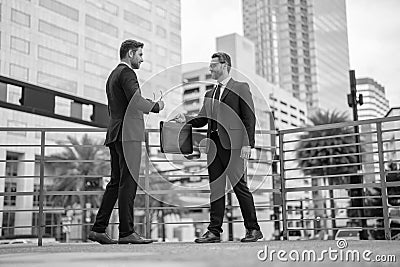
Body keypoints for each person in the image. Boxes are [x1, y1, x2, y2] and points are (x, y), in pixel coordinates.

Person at [173, 52, 263, 243]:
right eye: (210, 65)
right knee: (216, 190)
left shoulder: (241, 87)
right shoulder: (209, 93)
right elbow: (203, 119)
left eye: (213, 65)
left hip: (234, 147)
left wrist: (248, 144)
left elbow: (249, 117)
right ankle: (214, 231)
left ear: (224, 65)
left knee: (240, 187)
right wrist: (186, 119)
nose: (210, 68)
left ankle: (253, 229)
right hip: (214, 149)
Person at [88, 39, 164, 244]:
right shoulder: (128, 73)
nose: (142, 58)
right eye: (140, 54)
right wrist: (156, 106)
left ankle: (98, 229)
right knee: (128, 182)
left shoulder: (113, 75)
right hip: (127, 134)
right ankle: (126, 232)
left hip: (115, 134)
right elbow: (136, 101)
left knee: (115, 183)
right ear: (130, 54)